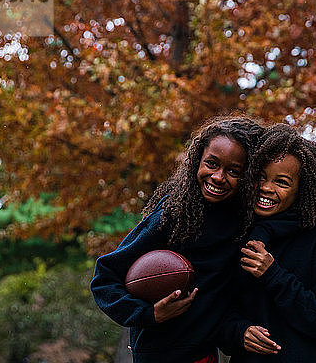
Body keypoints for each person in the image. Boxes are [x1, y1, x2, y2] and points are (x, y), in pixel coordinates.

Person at [91, 116, 264, 363]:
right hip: (157, 355)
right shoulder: (174, 214)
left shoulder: (246, 225)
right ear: (197, 161)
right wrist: (149, 314)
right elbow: (104, 278)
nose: (218, 176)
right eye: (211, 164)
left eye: (234, 171)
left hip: (203, 355)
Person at [219, 123, 316, 362]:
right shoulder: (234, 236)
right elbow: (216, 314)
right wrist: (238, 333)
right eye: (261, 177)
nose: (267, 188)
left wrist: (273, 275)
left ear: (301, 191)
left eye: (282, 182)